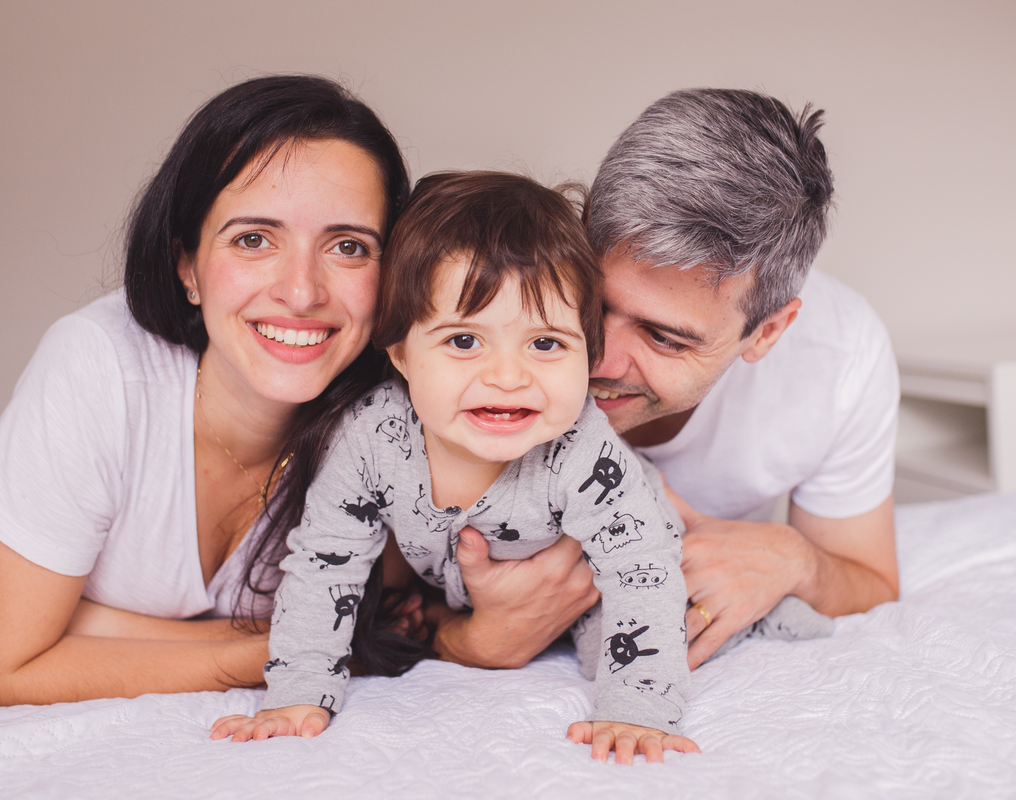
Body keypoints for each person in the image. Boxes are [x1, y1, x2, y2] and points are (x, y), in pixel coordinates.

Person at [0, 75, 411, 709]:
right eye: (253, 239)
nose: (302, 291)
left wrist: (100, 626)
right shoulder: (98, 363)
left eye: (348, 246)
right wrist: (262, 651)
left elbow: (406, 612)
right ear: (187, 265)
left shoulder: (390, 425)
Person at [211, 171, 699, 764]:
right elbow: (324, 564)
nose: (508, 377)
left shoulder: (581, 449)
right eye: (464, 342)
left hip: (620, 565)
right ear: (400, 354)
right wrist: (296, 694)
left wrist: (634, 712)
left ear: (588, 355)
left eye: (546, 344)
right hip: (480, 596)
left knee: (629, 651)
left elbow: (640, 571)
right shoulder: (371, 439)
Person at [432, 88, 900, 672]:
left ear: (766, 333)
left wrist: (793, 559)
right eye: (597, 303)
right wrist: (473, 640)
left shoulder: (840, 355)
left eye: (665, 338)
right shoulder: (465, 310)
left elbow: (872, 582)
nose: (598, 361)